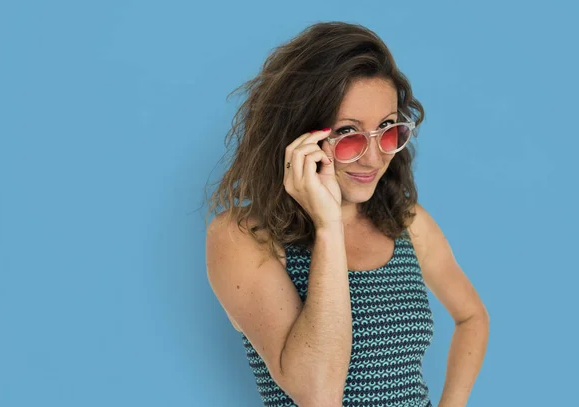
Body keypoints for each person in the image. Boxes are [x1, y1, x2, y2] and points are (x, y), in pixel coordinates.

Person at [205, 21, 489, 407]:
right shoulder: (242, 237)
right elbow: (317, 393)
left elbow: (472, 317)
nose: (374, 157)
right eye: (349, 133)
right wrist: (328, 226)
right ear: (299, 138)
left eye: (388, 128)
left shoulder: (405, 221)